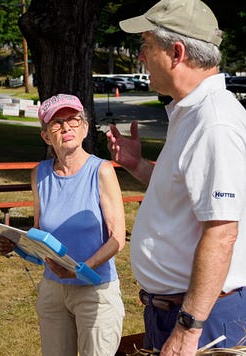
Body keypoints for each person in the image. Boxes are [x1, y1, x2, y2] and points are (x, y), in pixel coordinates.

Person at [107, 0, 246, 354]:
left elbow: (222, 233)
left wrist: (188, 328)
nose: (141, 57)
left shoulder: (213, 121)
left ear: (177, 53)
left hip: (202, 318)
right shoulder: (191, 113)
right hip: (181, 312)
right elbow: (187, 196)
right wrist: (137, 166)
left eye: (146, 46)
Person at [0, 94, 126, 356]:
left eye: (73, 120)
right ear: (46, 136)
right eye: (56, 123)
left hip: (95, 289)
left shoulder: (101, 170)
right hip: (53, 290)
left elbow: (117, 238)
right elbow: (40, 236)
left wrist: (81, 269)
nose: (66, 127)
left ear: (85, 128)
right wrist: (14, 244)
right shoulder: (39, 174)